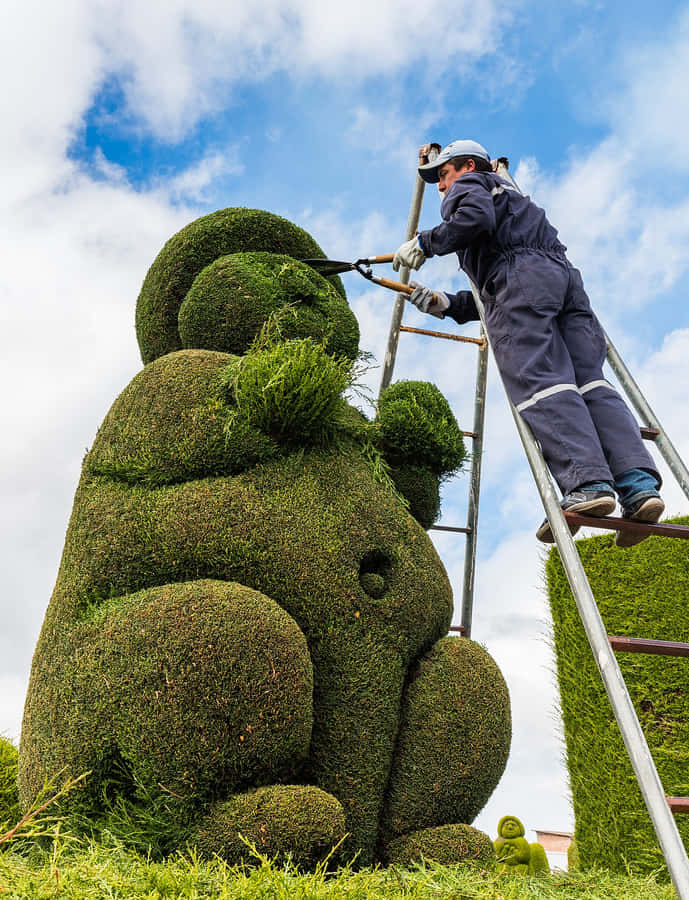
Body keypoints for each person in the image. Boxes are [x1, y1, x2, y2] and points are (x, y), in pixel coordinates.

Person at [393, 139, 664, 547]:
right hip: (562, 281)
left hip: (523, 280)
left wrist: (426, 243)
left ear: (467, 166)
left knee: (540, 380)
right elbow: (501, 287)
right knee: (590, 383)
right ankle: (638, 485)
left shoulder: (471, 185)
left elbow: (480, 230)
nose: (441, 188)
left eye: (443, 176)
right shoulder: (516, 200)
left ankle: (588, 483)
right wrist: (445, 303)